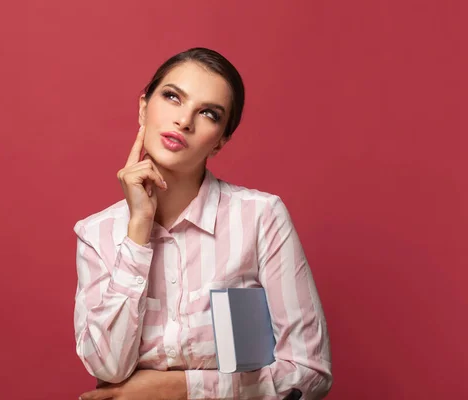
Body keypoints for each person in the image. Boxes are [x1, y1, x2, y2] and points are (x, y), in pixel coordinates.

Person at [74, 47, 332, 400]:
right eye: (172, 97)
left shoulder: (260, 217)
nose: (184, 121)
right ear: (143, 106)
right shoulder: (96, 234)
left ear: (221, 140)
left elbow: (310, 373)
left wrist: (179, 389)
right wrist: (138, 231)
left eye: (208, 113)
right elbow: (107, 367)